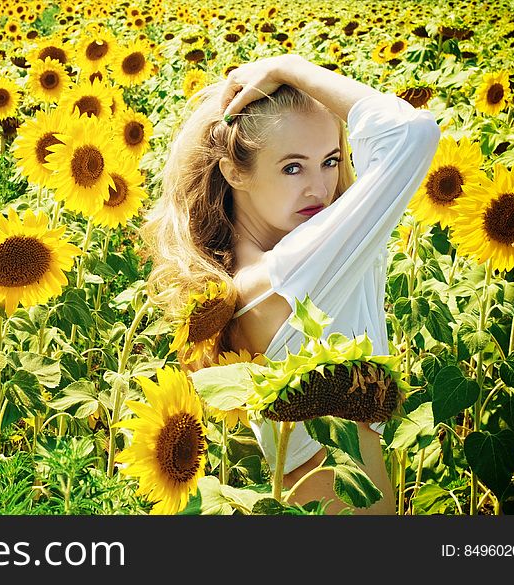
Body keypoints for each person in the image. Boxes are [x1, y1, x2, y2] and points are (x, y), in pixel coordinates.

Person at [138, 54, 441, 514]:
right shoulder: (286, 276)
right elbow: (412, 133)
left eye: (331, 161)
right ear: (234, 170)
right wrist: (288, 66)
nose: (320, 188)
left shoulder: (250, 278)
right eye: (293, 167)